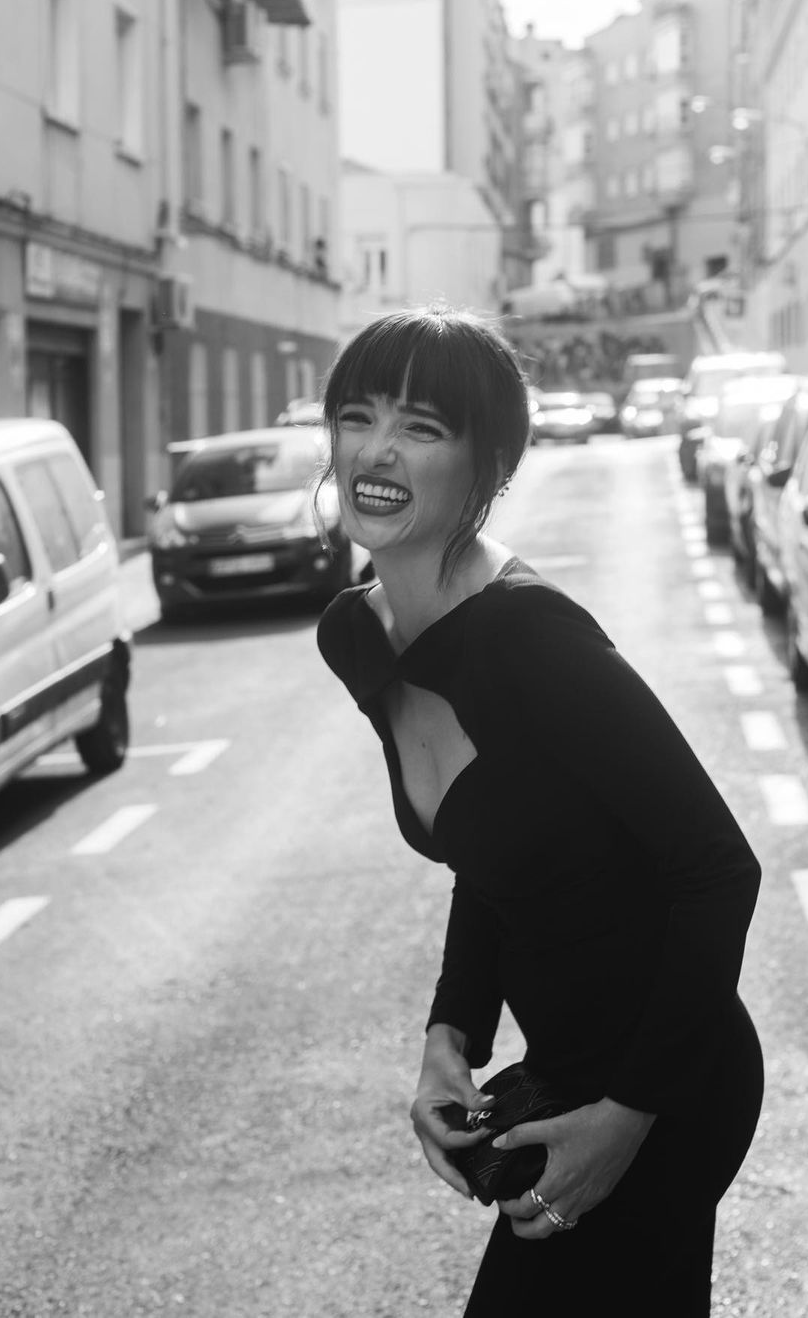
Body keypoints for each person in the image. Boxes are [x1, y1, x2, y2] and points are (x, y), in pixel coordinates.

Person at [315, 304, 764, 1315]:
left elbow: (719, 869)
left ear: (488, 466)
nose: (378, 450)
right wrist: (450, 1034)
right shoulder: (358, 635)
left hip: (671, 1079)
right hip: (567, 1072)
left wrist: (623, 1118)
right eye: (357, 416)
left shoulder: (533, 637)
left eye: (422, 427)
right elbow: (492, 852)